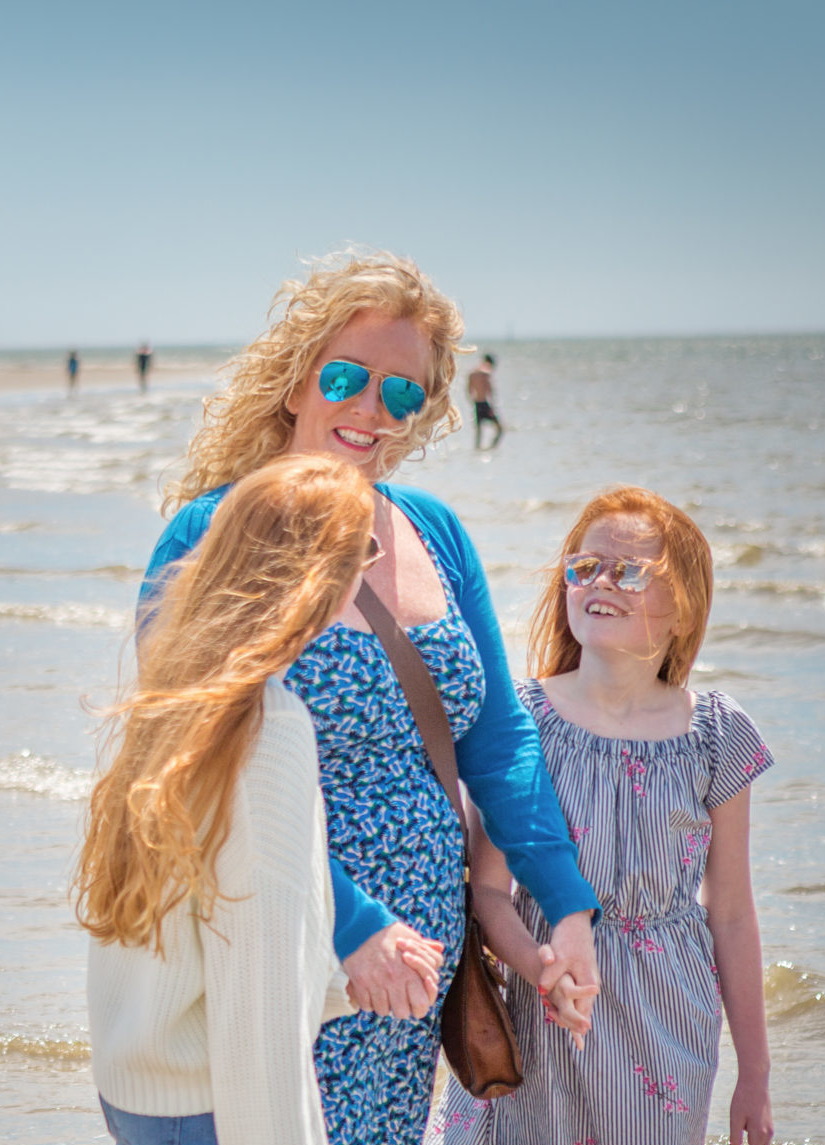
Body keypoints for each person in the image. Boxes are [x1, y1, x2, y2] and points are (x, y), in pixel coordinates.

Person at [140, 250, 601, 1145]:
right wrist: (347, 926)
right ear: (296, 380)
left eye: (402, 393)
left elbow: (498, 738)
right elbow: (191, 771)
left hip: (412, 975)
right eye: (347, 376)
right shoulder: (209, 533)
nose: (369, 408)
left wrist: (570, 907)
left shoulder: (433, 531)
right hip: (278, 953)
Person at [433, 488, 774, 1145]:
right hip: (539, 1012)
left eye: (631, 571)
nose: (601, 582)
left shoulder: (717, 734)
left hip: (665, 1023)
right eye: (584, 567)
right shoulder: (521, 720)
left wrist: (754, 1073)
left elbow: (731, 911)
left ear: (684, 606)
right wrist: (544, 969)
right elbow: (487, 892)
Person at [80, 452, 368, 1145]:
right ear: (322, 578)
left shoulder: (178, 693)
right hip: (209, 1105)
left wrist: (331, 985)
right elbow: (260, 992)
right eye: (366, 549)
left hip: (136, 1085)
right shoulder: (268, 726)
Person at [467, 352, 503, 448]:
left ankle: (477, 451)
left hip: (476, 403)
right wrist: (492, 406)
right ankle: (492, 448)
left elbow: (469, 390)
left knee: (479, 432)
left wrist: (473, 401)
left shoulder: (472, 373)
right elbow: (489, 390)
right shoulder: (486, 373)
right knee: (500, 429)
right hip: (485, 403)